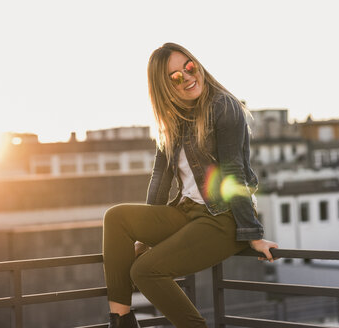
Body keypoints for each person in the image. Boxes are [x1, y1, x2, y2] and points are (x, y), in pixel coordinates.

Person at [102, 42, 279, 328]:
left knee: (145, 271)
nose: (187, 77)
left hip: (223, 220)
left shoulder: (223, 106)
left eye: (188, 67)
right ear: (164, 88)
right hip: (186, 213)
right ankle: (120, 320)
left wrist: (254, 234)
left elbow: (234, 173)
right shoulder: (171, 120)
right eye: (175, 77)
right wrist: (145, 234)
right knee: (116, 217)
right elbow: (160, 178)